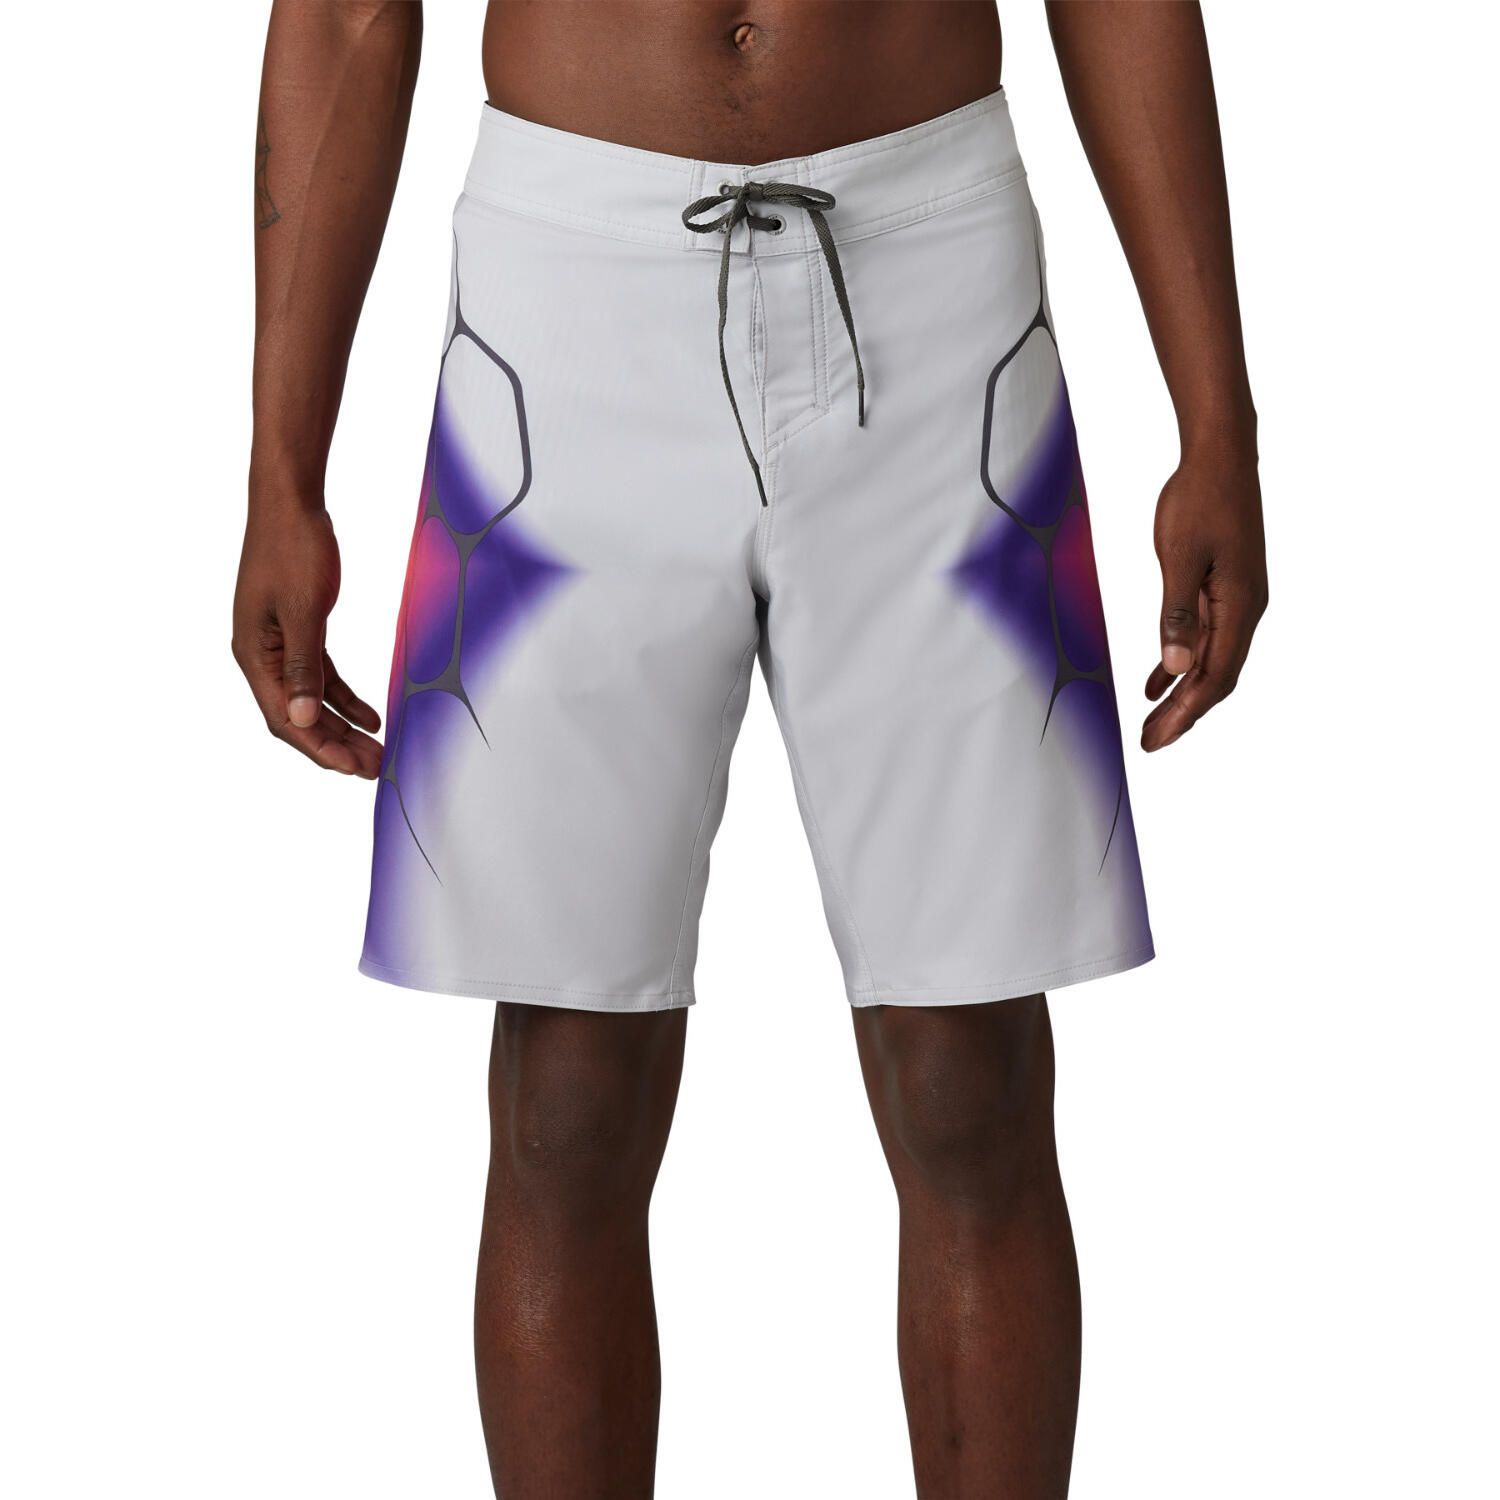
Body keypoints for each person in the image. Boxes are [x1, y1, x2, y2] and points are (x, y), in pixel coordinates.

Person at [234, 2, 1267, 1493]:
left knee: (969, 1066)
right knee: (568, 1086)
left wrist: (1217, 421)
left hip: (936, 280)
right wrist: (281, 470)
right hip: (562, 304)